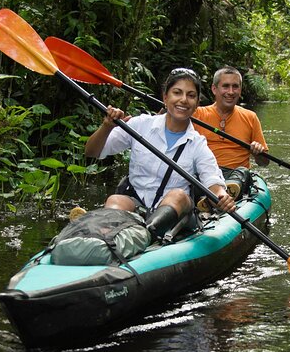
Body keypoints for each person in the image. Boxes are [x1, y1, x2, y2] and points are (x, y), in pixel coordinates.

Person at [85, 68, 236, 240]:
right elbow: (92, 152)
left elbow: (213, 183)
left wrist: (221, 196)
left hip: (175, 212)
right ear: (165, 97)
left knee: (178, 195)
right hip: (137, 203)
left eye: (191, 95)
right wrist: (106, 126)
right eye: (177, 93)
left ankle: (146, 234)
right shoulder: (139, 125)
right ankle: (107, 236)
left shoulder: (197, 144)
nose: (183, 100)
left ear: (196, 104)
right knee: (115, 200)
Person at [193, 66, 269, 205]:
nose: (231, 92)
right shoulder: (197, 114)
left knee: (243, 172)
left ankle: (215, 199)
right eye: (226, 86)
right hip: (205, 173)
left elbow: (264, 163)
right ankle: (214, 198)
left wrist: (258, 153)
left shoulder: (250, 117)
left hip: (235, 175)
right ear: (214, 89)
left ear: (240, 90)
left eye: (235, 87)